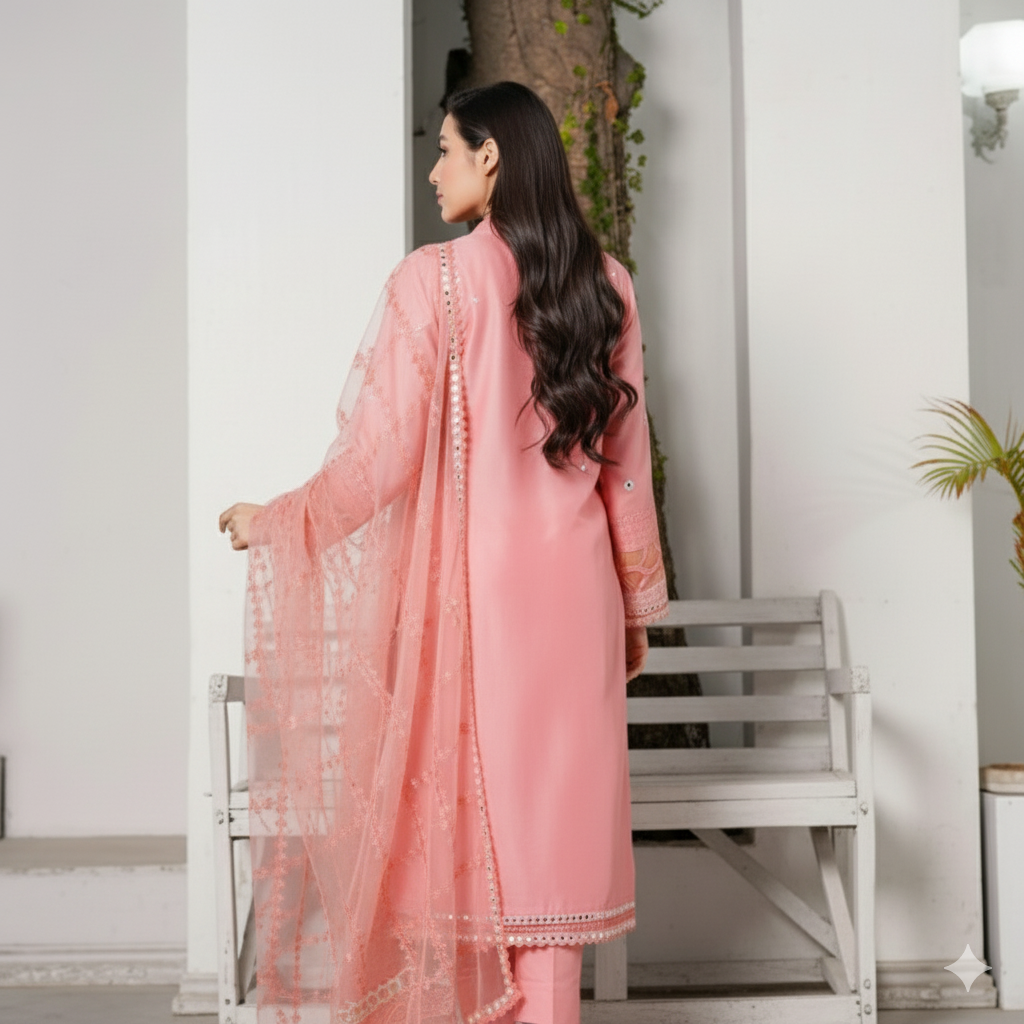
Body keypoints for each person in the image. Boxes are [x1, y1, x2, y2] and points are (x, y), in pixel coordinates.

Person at [219, 81, 668, 1024]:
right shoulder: (607, 283)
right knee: (550, 840)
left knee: (470, 833)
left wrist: (283, 520)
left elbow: (379, 459)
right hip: (577, 597)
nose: (433, 171)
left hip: (474, 601)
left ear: (490, 156)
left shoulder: (434, 280)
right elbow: (626, 467)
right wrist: (633, 608)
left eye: (446, 150)